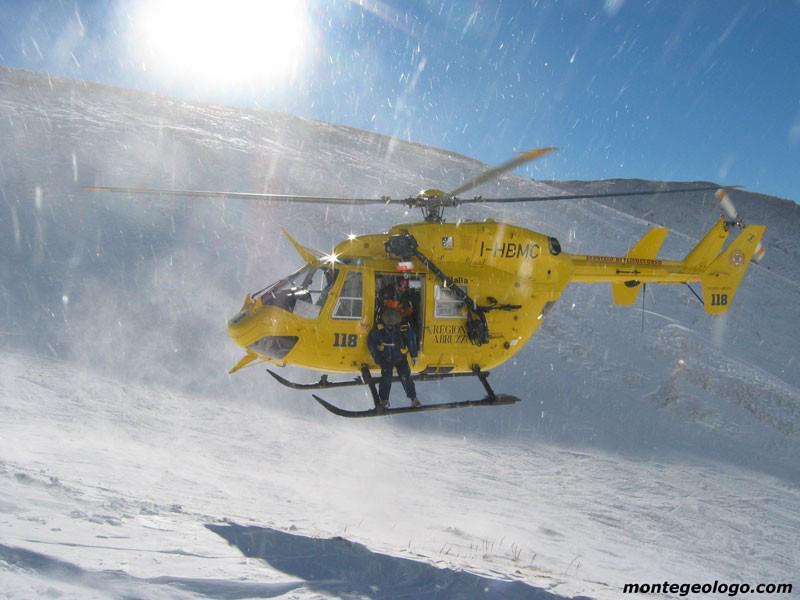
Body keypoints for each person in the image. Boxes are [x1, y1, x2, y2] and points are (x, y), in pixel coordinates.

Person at [367, 308, 420, 408]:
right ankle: (384, 399)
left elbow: (411, 339)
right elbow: (371, 343)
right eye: (389, 320)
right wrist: (377, 357)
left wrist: (413, 355)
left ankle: (413, 398)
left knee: (406, 376)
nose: (390, 322)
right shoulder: (378, 330)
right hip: (386, 358)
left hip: (400, 357)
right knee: (387, 377)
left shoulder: (402, 329)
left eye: (393, 320)